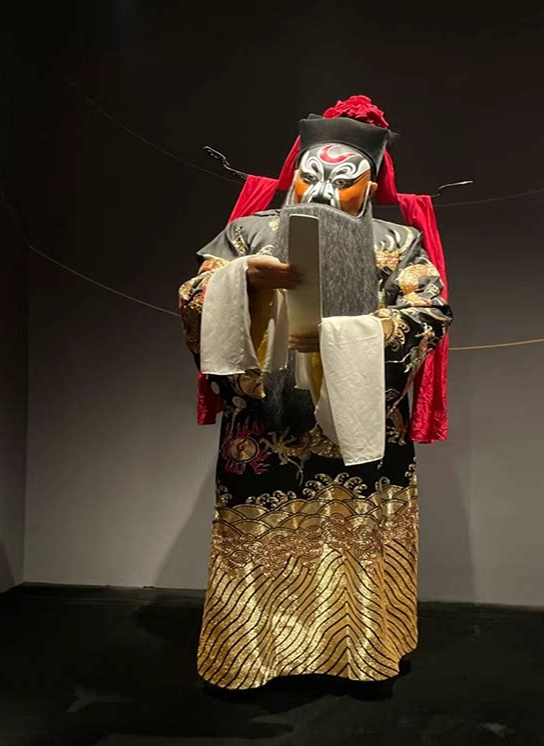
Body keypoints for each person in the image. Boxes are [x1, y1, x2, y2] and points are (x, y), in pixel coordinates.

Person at [178, 96, 453, 690]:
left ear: (370, 185)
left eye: (343, 179)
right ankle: (252, 659)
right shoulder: (248, 232)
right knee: (259, 536)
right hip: (266, 424)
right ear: (295, 174)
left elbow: (428, 314)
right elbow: (194, 297)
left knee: (359, 537)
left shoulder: (396, 241)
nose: (322, 190)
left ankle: (362, 654)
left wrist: (348, 336)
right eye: (311, 175)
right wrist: (243, 283)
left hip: (362, 423)